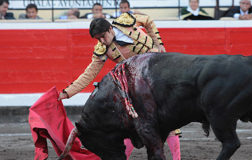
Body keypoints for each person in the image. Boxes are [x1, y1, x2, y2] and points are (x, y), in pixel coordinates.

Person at [58, 13, 181, 160]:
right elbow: (89, 74)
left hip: (159, 74)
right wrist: (66, 93)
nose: (102, 41)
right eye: (98, 39)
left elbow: (148, 21)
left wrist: (159, 43)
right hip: (139, 87)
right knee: (132, 126)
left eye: (103, 36)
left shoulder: (126, 21)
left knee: (171, 122)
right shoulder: (102, 50)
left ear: (111, 29)